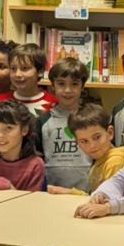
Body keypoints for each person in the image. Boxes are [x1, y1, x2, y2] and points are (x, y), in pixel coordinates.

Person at [38, 58, 93, 192]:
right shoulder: (43, 121)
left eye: (74, 84)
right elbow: (37, 159)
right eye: (61, 84)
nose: (67, 90)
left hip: (86, 192)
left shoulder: (92, 118)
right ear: (53, 86)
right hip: (51, 192)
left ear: (82, 86)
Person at [68, 102, 124, 193]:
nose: (92, 146)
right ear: (77, 142)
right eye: (84, 141)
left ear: (110, 133)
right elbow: (97, 197)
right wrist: (70, 192)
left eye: (97, 137)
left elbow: (109, 200)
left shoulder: (114, 163)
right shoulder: (101, 158)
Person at [0, 43, 56, 118]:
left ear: (40, 71)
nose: (17, 74)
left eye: (24, 68)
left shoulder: (53, 104)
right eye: (13, 68)